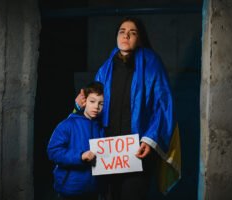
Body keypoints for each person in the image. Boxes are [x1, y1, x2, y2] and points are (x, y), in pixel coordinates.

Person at [75, 17, 181, 200]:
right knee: (109, 196)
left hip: (137, 149)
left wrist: (150, 140)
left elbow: (163, 105)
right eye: (122, 32)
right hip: (108, 150)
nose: (126, 36)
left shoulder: (152, 63)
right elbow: (94, 105)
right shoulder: (105, 68)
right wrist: (81, 104)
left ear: (140, 38)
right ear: (116, 36)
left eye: (133, 33)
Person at [47, 81, 105, 200]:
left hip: (93, 190)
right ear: (84, 102)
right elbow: (53, 151)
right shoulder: (67, 124)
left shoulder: (102, 128)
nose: (96, 107)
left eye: (101, 103)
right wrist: (80, 156)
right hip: (70, 190)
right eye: (92, 101)